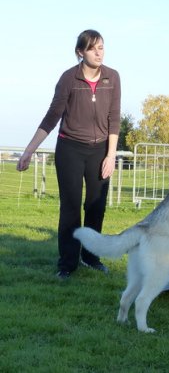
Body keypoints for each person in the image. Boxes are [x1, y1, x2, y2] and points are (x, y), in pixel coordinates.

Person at [17, 29, 121, 279]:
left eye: (102, 47)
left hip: (100, 149)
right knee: (71, 208)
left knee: (95, 207)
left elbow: (114, 118)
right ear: (80, 52)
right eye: (93, 48)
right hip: (70, 148)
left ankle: (91, 256)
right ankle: (67, 263)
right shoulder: (68, 79)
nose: (99, 52)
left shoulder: (113, 77)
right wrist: (29, 151)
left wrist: (110, 155)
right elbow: (52, 117)